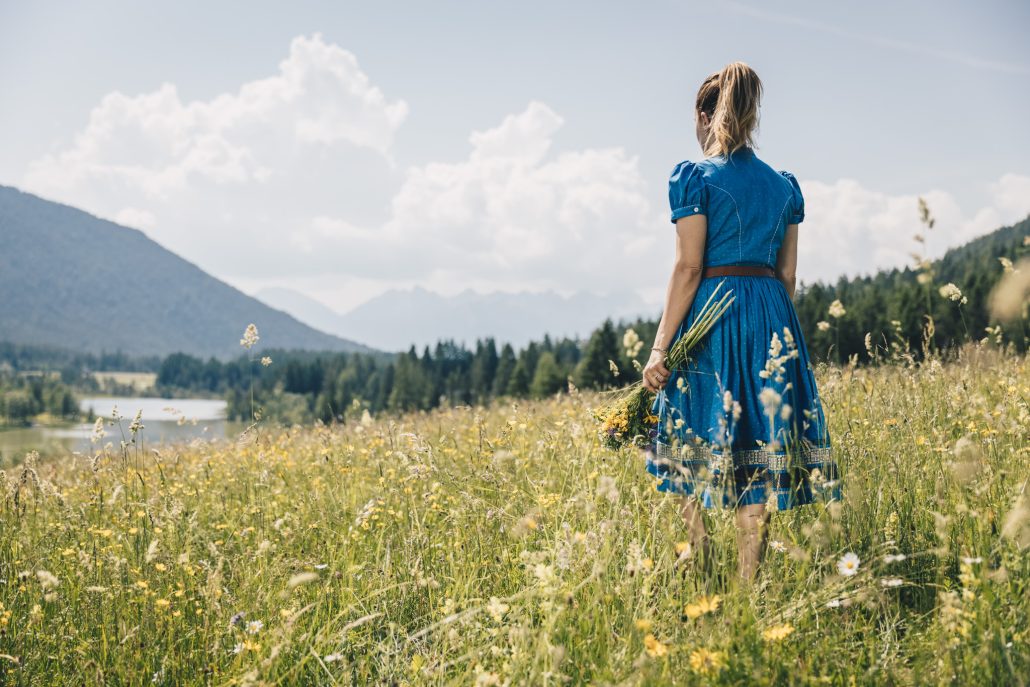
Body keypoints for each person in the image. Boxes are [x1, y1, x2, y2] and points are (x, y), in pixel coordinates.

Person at [641, 61, 841, 584]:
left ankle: (703, 562)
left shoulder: (694, 178)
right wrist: (770, 324)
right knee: (758, 441)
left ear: (703, 115)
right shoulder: (784, 186)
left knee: (690, 434)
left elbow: (688, 266)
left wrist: (661, 348)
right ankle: (749, 588)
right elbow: (788, 274)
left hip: (714, 314)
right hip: (772, 316)